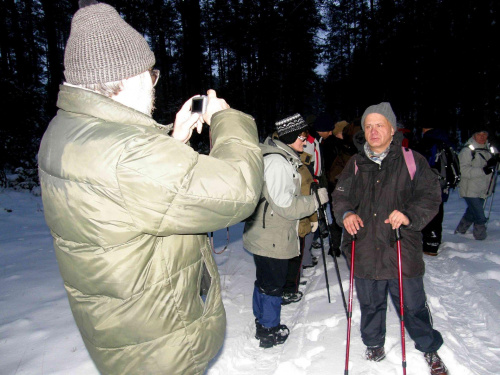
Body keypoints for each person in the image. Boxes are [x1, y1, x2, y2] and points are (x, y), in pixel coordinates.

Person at [37, 2, 263, 375]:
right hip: (159, 347)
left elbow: (127, 199)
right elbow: (238, 190)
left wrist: (173, 142)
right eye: (151, 74)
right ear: (125, 79)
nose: (153, 83)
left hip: (121, 330)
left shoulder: (63, 132)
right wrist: (225, 119)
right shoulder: (128, 154)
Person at [332, 102, 448, 375]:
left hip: (400, 247)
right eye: (368, 126)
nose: (373, 131)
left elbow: (431, 196)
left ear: (392, 129)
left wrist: (409, 214)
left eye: (379, 125)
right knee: (370, 304)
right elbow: (340, 195)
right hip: (365, 247)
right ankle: (374, 344)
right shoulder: (356, 163)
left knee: (413, 305)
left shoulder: (412, 160)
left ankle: (428, 346)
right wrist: (347, 213)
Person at [243, 113, 328, 348]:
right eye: (302, 136)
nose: (305, 140)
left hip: (265, 231)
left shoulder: (279, 155)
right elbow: (286, 207)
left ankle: (262, 322)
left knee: (265, 281)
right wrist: (315, 200)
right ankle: (269, 331)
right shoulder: (278, 162)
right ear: (291, 136)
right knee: (272, 285)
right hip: (272, 235)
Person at [415, 127, 455, 255]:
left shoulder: (426, 142)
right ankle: (435, 241)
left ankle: (429, 244)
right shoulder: (446, 141)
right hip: (443, 184)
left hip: (428, 183)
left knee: (427, 212)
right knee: (438, 211)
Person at [455, 130, 499, 240]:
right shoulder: (467, 151)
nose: (482, 137)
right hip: (470, 189)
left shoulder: (490, 150)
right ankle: (480, 238)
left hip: (484, 188)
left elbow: (496, 169)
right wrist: (483, 170)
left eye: (485, 134)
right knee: (480, 216)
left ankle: (460, 231)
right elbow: (462, 170)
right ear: (473, 135)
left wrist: (496, 162)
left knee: (472, 212)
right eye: (479, 134)